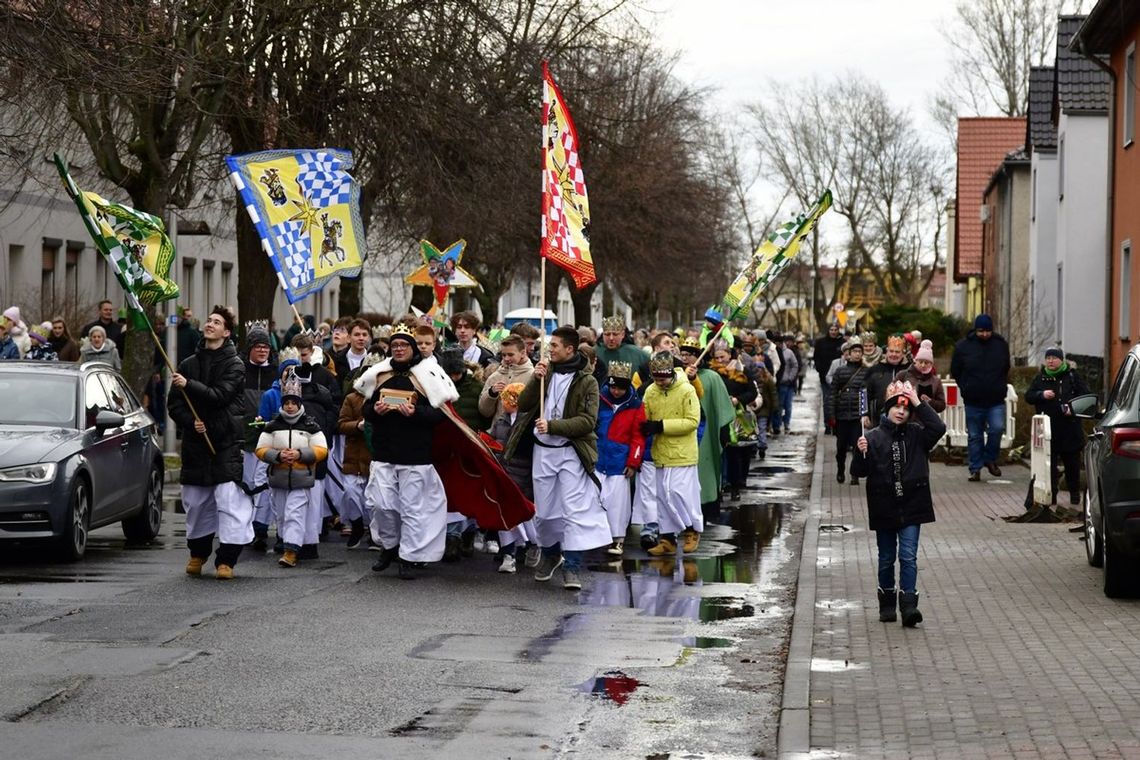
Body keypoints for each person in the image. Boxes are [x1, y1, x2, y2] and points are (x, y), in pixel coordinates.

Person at [505, 325, 610, 591]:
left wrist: (553, 426)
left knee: (573, 510)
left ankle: (572, 565)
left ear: (569, 349)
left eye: (554, 345)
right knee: (545, 513)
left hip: (571, 452)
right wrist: (535, 379)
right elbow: (524, 404)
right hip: (543, 452)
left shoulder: (587, 381)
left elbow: (588, 421)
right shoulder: (546, 371)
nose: (549, 349)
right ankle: (551, 554)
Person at [358, 325, 452, 579]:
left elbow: (440, 415)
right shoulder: (380, 374)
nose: (399, 349)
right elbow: (366, 409)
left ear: (413, 348)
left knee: (412, 509)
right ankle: (390, 546)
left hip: (415, 454)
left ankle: (408, 557)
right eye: (395, 345)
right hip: (384, 451)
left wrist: (415, 413)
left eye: (404, 345)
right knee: (382, 505)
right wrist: (374, 411)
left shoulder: (427, 373)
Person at [852, 380, 947, 628]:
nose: (901, 412)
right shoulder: (873, 437)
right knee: (886, 558)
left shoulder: (917, 434)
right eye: (897, 407)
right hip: (883, 505)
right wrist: (860, 451)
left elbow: (938, 427)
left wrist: (917, 401)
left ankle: (909, 605)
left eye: (906, 408)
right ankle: (886, 603)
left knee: (908, 556)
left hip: (913, 505)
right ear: (888, 409)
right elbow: (859, 471)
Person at [169, 306, 249, 580]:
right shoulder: (187, 364)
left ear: (226, 332)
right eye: (209, 320)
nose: (210, 324)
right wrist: (190, 422)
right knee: (195, 502)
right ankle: (198, 553)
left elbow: (220, 396)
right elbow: (174, 404)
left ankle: (226, 559)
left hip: (225, 441)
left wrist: (188, 385)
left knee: (228, 500)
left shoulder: (235, 364)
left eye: (217, 322)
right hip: (196, 444)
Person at [256, 371, 328, 568]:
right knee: (282, 514)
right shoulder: (273, 426)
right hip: (278, 478)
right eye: (286, 402)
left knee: (294, 513)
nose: (289, 406)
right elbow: (261, 449)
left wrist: (300, 454)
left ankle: (291, 551)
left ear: (299, 404)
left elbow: (321, 449)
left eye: (293, 403)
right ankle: (286, 541)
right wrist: (278, 456)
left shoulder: (310, 425)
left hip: (301, 478)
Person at [641, 350, 703, 555]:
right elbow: (645, 415)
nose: (659, 383)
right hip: (661, 453)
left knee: (679, 493)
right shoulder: (651, 391)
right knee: (662, 497)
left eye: (663, 379)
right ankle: (667, 539)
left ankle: (692, 530)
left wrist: (661, 426)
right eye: (656, 379)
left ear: (671, 374)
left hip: (683, 453)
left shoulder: (687, 390)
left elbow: (692, 421)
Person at [1025, 347, 1091, 506]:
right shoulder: (1040, 378)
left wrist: (1072, 408)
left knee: (1072, 465)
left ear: (1061, 360)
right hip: (1048, 430)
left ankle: (1074, 495)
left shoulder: (1072, 377)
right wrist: (1041, 395)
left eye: (1054, 358)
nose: (1050, 361)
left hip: (1070, 429)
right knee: (1050, 466)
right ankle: (1051, 495)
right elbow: (1029, 396)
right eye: (1048, 358)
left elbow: (1086, 396)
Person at [950, 314, 1011, 482]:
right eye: (981, 331)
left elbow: (1006, 367)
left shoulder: (1000, 345)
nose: (984, 334)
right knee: (975, 436)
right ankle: (975, 468)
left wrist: (999, 384)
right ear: (975, 330)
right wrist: (966, 386)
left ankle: (990, 458)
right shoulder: (963, 347)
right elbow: (956, 370)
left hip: (995, 398)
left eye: (987, 331)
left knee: (997, 429)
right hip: (973, 399)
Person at [595, 361, 646, 557]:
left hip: (619, 461)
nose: (616, 392)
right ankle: (596, 537)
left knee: (618, 504)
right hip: (598, 458)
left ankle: (618, 539)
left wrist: (633, 462)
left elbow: (638, 437)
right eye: (613, 387)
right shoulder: (599, 400)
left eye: (620, 388)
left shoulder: (636, 406)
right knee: (594, 500)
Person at [488, 382, 539, 573]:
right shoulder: (501, 420)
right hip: (503, 473)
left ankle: (533, 544)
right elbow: (494, 439)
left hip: (523, 475)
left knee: (525, 514)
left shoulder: (529, 422)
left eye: (506, 400)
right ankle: (508, 554)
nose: (503, 404)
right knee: (506, 515)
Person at [240, 325, 277, 551]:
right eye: (258, 346)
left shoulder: (276, 372)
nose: (263, 351)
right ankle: (244, 525)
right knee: (247, 482)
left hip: (270, 436)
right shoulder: (240, 371)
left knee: (264, 483)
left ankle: (261, 527)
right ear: (250, 349)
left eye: (266, 347)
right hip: (246, 436)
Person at [711, 344, 758, 500]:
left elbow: (752, 392)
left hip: (736, 417)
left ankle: (735, 486)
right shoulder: (712, 372)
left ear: (729, 355)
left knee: (735, 453)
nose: (719, 360)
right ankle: (719, 486)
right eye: (716, 357)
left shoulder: (741, 370)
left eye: (722, 357)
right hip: (717, 416)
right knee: (718, 453)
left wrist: (738, 399)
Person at [830, 339, 868, 485]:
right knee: (841, 447)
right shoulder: (840, 371)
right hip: (842, 414)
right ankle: (840, 469)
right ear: (849, 354)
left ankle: (854, 474)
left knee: (857, 446)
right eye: (854, 352)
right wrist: (831, 415)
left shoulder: (866, 372)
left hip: (857, 415)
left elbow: (868, 393)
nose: (857, 354)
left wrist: (866, 414)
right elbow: (832, 393)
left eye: (859, 352)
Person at [862, 334, 913, 430]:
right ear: (886, 351)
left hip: (905, 419)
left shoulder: (910, 370)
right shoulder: (874, 369)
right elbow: (864, 392)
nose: (894, 354)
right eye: (891, 351)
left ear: (903, 353)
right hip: (879, 420)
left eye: (897, 352)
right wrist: (864, 414)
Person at [479, 335, 534, 422]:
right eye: (503, 355)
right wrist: (491, 393)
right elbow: (485, 412)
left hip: (522, 428)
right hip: (498, 428)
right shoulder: (495, 376)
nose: (506, 358)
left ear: (523, 353)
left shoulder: (533, 377)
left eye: (510, 355)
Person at [895, 340, 946, 420]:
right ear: (915, 361)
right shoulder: (903, 375)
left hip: (926, 422)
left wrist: (930, 401)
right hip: (905, 419)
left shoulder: (936, 381)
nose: (923, 365)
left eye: (926, 363)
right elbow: (891, 395)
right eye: (920, 362)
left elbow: (942, 405)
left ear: (931, 364)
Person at [596, 315, 649, 384]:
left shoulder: (639, 355)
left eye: (615, 334)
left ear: (623, 334)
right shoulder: (593, 352)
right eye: (607, 334)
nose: (611, 338)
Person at [814, 323, 846, 434]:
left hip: (840, 378)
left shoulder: (842, 343)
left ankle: (837, 425)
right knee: (827, 402)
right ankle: (827, 425)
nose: (833, 332)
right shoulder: (821, 343)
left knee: (839, 402)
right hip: (824, 377)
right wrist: (820, 369)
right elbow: (816, 357)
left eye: (835, 330)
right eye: (831, 330)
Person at [332, 318, 372, 392]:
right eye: (357, 335)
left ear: (369, 338)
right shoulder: (336, 360)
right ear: (348, 338)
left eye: (364, 335)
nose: (361, 338)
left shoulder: (375, 360)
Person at [774, 334, 800, 434]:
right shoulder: (773, 352)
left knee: (787, 405)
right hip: (777, 383)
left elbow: (795, 365)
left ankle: (786, 423)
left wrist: (790, 377)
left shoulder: (789, 352)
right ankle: (777, 425)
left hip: (787, 383)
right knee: (778, 405)